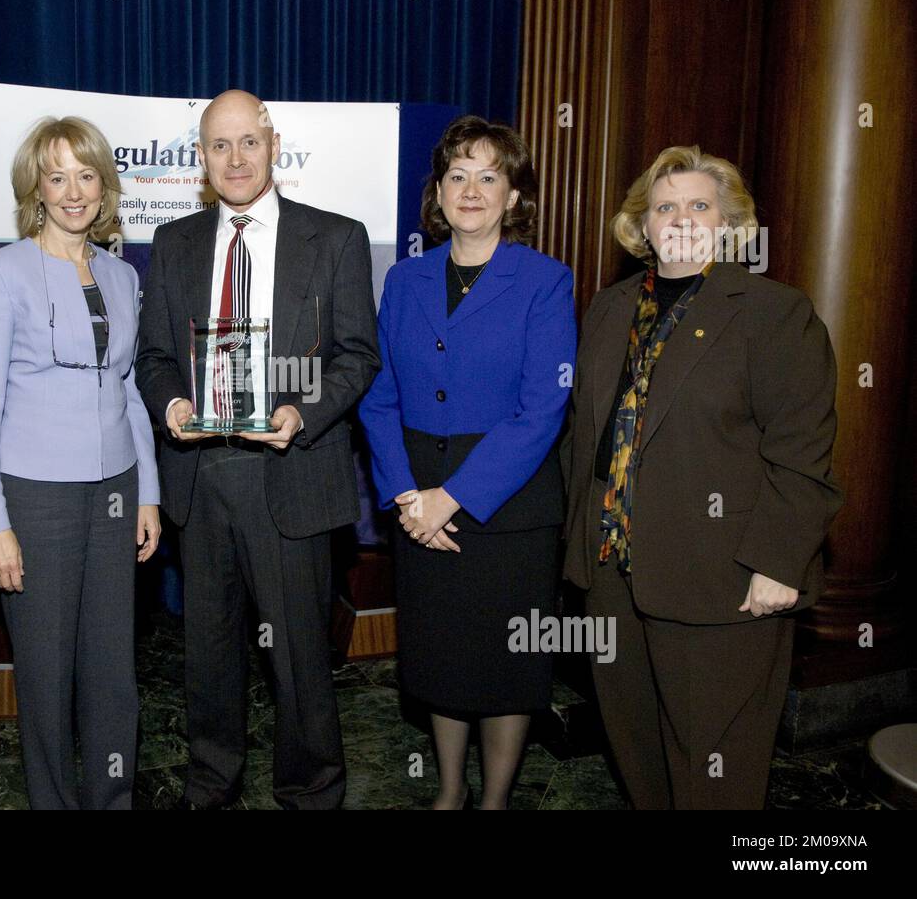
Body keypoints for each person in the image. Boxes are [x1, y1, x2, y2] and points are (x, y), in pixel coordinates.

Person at [561, 145, 843, 809]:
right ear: (643, 224)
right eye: (665, 207)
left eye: (698, 205)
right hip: (613, 573)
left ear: (729, 222)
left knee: (715, 769)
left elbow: (802, 449)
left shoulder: (772, 312)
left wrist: (777, 561)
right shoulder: (609, 307)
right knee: (636, 748)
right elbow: (584, 434)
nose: (681, 218)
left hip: (724, 578)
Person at [134, 89, 380, 809]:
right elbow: (154, 359)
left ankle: (311, 791)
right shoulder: (174, 242)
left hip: (291, 472)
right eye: (219, 145)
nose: (235, 158)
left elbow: (358, 356)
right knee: (208, 653)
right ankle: (211, 783)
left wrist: (303, 412)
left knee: (299, 657)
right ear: (201, 158)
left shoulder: (336, 238)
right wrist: (172, 404)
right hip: (201, 477)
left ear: (273, 146)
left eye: (248, 141)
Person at [358, 116, 575, 809]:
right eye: (458, 175)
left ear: (514, 195)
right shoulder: (405, 279)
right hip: (417, 500)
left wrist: (450, 498)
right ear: (438, 192)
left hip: (507, 506)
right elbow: (379, 398)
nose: (472, 189)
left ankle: (495, 800)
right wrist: (406, 496)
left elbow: (543, 409)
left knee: (505, 665)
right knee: (441, 658)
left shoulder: (546, 281)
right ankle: (449, 792)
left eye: (489, 176)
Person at [0, 117, 160, 809]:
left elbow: (129, 390)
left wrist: (148, 493)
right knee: (45, 676)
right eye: (57, 176)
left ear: (104, 186)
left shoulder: (122, 276)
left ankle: (113, 798)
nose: (73, 191)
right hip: (34, 498)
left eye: (86, 175)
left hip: (116, 490)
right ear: (36, 189)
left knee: (112, 670)